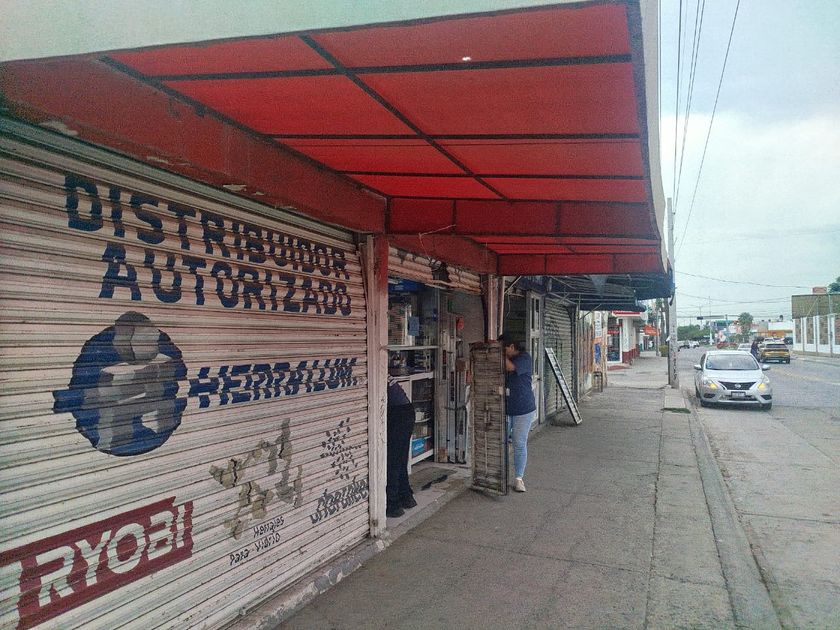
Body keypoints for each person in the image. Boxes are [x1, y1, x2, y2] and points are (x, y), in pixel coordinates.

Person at [500, 334, 536, 493]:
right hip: (505, 408)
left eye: (503, 349)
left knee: (519, 443)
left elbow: (510, 367)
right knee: (499, 442)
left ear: (512, 347)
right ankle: (499, 476)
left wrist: (496, 352)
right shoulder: (505, 359)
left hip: (523, 408)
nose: (502, 353)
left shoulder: (524, 358)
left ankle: (519, 478)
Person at [386, 375, 417, 518]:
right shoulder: (385, 375)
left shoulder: (377, 374)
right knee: (400, 459)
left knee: (393, 461)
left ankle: (392, 505)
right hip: (407, 411)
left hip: (397, 414)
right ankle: (406, 497)